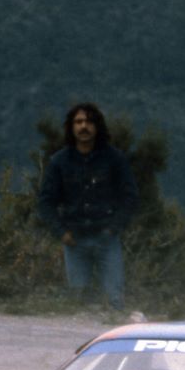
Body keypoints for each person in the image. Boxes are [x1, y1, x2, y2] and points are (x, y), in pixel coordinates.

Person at [36, 103, 140, 317]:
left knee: (115, 302)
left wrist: (114, 228)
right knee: (77, 304)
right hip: (74, 240)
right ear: (71, 127)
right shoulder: (59, 162)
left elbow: (130, 197)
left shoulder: (114, 159)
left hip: (106, 238)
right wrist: (61, 232)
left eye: (89, 121)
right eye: (79, 122)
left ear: (98, 126)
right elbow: (46, 202)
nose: (84, 126)